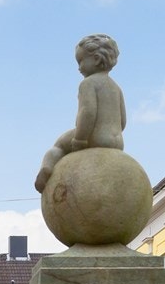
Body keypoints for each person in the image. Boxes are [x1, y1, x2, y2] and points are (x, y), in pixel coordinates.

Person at [34, 34, 125, 194]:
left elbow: (87, 112)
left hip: (94, 137)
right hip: (117, 143)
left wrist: (80, 139)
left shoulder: (88, 83)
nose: (79, 67)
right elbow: (123, 120)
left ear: (96, 59)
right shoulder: (116, 88)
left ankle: (46, 168)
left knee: (59, 144)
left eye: (81, 61)